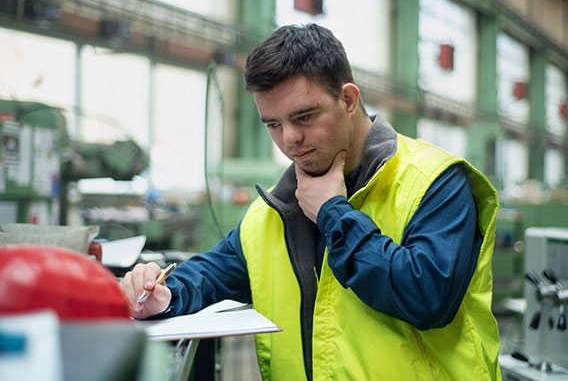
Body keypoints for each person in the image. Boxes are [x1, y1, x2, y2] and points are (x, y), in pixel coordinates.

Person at [120, 23, 501, 380]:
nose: (289, 139)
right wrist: (164, 292)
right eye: (273, 124)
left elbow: (427, 298)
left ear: (348, 99)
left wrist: (335, 215)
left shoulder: (434, 182)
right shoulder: (275, 212)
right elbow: (212, 273)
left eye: (304, 116)